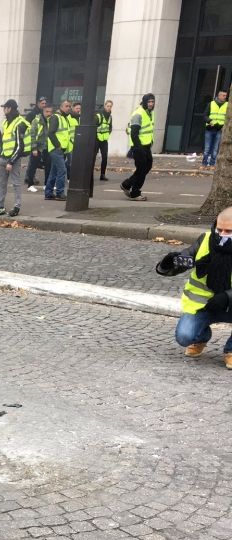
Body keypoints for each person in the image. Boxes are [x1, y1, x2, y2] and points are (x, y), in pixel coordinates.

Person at [156, 206, 232, 367]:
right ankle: (201, 338)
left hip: (229, 305)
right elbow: (186, 257)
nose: (222, 235)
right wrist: (168, 264)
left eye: (228, 231)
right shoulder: (205, 238)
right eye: (220, 229)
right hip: (202, 305)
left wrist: (226, 297)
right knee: (184, 336)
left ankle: (231, 350)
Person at [0, 100, 30, 218]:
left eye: (5, 108)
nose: (3, 110)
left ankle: (17, 206)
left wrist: (11, 161)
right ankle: (0, 206)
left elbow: (20, 146)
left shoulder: (20, 123)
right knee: (2, 183)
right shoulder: (6, 122)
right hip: (4, 157)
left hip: (13, 159)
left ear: (9, 109)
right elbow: (4, 140)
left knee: (16, 183)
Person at [121, 93, 155, 200]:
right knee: (141, 169)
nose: (151, 104)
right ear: (144, 102)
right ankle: (135, 193)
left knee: (147, 167)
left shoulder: (150, 113)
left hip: (146, 146)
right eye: (149, 102)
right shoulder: (138, 113)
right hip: (138, 147)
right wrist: (138, 147)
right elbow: (134, 133)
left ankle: (127, 184)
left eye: (152, 101)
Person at [44, 100, 71, 201]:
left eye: (69, 106)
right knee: (62, 170)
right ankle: (60, 193)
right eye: (66, 106)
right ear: (61, 107)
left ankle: (48, 193)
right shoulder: (56, 117)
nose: (68, 108)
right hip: (56, 149)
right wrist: (58, 145)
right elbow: (51, 133)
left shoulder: (63, 118)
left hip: (60, 149)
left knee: (54, 172)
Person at [24, 97, 47, 191]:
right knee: (32, 162)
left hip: (41, 142)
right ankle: (29, 178)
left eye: (45, 103)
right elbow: (28, 127)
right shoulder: (32, 114)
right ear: (38, 103)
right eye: (43, 103)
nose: (44, 105)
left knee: (34, 161)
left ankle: (30, 177)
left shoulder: (44, 113)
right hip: (33, 141)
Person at [203, 89, 228, 169]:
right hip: (210, 129)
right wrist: (210, 121)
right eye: (223, 95)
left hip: (219, 130)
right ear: (219, 95)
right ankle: (204, 164)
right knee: (207, 148)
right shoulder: (211, 104)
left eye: (225, 96)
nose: (225, 97)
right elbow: (205, 115)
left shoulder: (227, 105)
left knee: (215, 148)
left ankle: (212, 164)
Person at [94, 100, 113, 181]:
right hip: (96, 139)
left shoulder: (110, 116)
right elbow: (94, 127)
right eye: (108, 106)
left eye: (110, 106)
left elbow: (110, 127)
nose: (109, 108)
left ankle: (102, 175)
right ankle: (89, 174)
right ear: (105, 106)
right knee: (93, 157)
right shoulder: (98, 115)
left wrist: (108, 133)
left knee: (105, 157)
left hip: (104, 140)